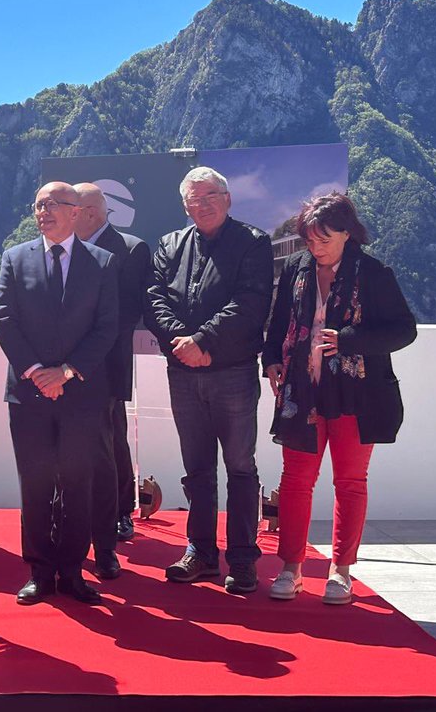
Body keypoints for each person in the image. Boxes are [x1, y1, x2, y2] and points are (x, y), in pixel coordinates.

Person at [263, 193, 416, 604]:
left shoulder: (374, 273)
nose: (315, 247)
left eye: (324, 239)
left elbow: (404, 330)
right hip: (301, 393)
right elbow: (278, 323)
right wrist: (270, 361)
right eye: (310, 240)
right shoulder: (296, 266)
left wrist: (349, 340)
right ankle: (291, 568)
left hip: (357, 394)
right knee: (295, 480)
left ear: (348, 234)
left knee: (349, 482)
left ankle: (341, 572)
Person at [145, 166, 273, 595]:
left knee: (240, 467)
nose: (202, 206)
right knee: (196, 469)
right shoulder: (169, 244)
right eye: (193, 201)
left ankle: (242, 559)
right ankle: (200, 553)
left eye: (210, 197)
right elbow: (154, 298)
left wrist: (203, 339)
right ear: (184, 206)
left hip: (233, 372)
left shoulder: (253, 243)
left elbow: (251, 303)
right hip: (182, 373)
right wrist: (182, 344)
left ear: (228, 198)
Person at [0, 182, 119, 606]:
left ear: (76, 212)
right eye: (39, 205)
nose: (43, 211)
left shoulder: (102, 263)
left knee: (77, 483)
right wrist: (36, 373)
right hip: (29, 394)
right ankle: (39, 571)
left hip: (81, 393)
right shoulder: (14, 258)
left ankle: (72, 570)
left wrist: (65, 373)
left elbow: (107, 327)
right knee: (35, 482)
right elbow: (5, 322)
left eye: (52, 205)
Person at [74, 181, 151, 569]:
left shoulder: (132, 249)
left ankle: (121, 510)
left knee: (110, 437)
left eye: (73, 209)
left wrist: (89, 342)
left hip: (107, 362)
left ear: (89, 212)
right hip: (67, 364)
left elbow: (129, 311)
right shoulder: (66, 247)